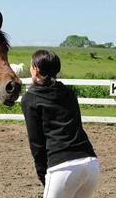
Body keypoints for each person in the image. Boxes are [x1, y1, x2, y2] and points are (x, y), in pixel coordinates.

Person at [21, 49, 99, 198]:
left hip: (62, 167)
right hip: (90, 164)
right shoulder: (69, 93)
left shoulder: (30, 99)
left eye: (31, 65)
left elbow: (36, 142)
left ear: (36, 71)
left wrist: (43, 175)